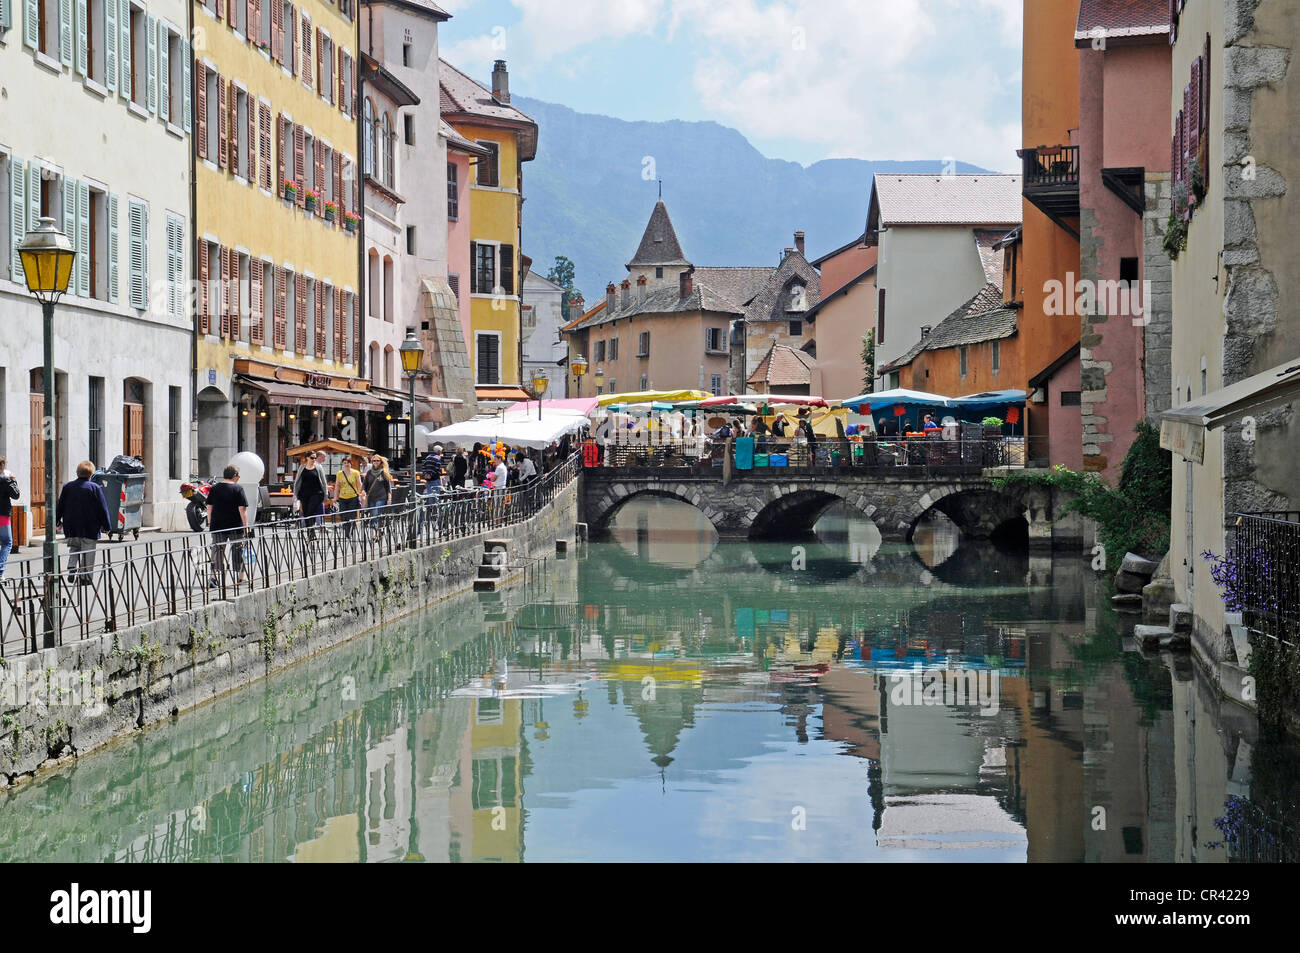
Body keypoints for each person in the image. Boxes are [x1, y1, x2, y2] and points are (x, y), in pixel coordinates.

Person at [54, 461, 111, 586]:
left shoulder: (67, 487)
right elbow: (102, 508)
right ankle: (85, 578)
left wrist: (57, 520)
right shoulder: (94, 488)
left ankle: (72, 566)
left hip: (71, 527)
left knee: (75, 547)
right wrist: (107, 526)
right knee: (88, 551)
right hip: (89, 527)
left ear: (77, 472)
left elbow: (60, 505)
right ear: (91, 474)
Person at [207, 465, 249, 587]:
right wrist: (246, 527)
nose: (239, 477)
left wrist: (210, 522)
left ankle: (213, 578)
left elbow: (209, 507)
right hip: (235, 526)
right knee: (238, 550)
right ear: (235, 475)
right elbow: (242, 509)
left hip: (217, 526)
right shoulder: (238, 489)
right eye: (238, 474)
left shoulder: (214, 488)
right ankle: (240, 578)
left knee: (217, 551)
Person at [293, 452, 328, 528]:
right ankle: (310, 533)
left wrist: (326, 495)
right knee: (306, 513)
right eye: (312, 458)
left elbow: (324, 482)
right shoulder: (302, 468)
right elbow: (297, 481)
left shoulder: (318, 468)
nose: (314, 460)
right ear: (307, 458)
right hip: (304, 494)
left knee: (311, 510)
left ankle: (311, 530)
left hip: (317, 494)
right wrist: (295, 494)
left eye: (315, 458)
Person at [333, 456, 365, 537]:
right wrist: (335, 496)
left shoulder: (355, 473)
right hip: (342, 497)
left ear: (351, 463)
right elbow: (337, 485)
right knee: (343, 515)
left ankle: (349, 530)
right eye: (345, 463)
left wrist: (362, 493)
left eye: (348, 463)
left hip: (353, 497)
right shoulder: (339, 473)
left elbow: (359, 484)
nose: (346, 464)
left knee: (351, 515)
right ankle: (346, 531)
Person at [363, 455, 392, 532]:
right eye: (374, 461)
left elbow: (388, 487)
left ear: (381, 462)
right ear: (372, 462)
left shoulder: (384, 473)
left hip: (381, 497)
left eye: (377, 461)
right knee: (373, 515)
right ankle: (379, 530)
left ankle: (378, 531)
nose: (375, 462)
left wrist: (389, 498)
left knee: (376, 513)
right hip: (371, 497)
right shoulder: (369, 473)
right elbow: (365, 484)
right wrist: (363, 492)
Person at [0, 459, 18, 579]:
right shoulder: (5, 480)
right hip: (2, 515)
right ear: (2, 466)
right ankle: (0, 571)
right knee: (7, 542)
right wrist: (13, 480)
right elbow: (16, 495)